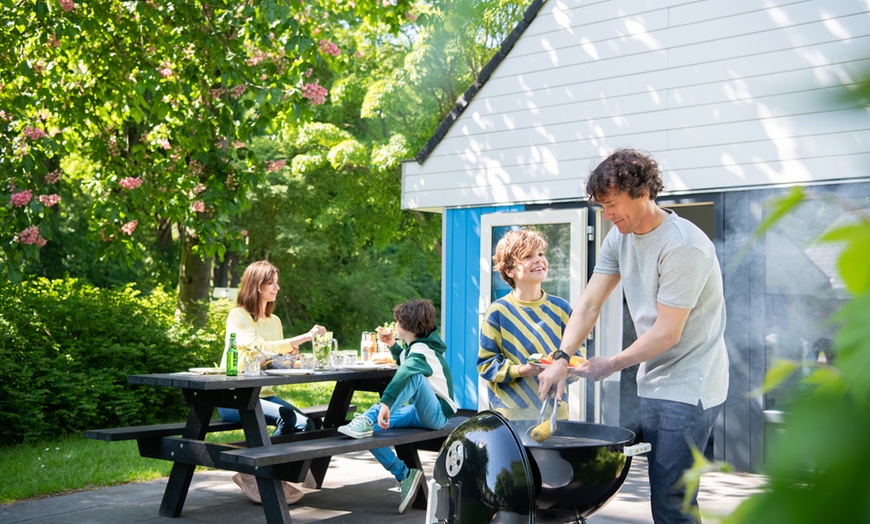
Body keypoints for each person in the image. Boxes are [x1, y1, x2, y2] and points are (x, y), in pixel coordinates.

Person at [537, 148, 729, 524]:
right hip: (654, 378)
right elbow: (590, 303)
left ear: (642, 193)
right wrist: (561, 357)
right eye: (602, 208)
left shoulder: (683, 246)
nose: (607, 215)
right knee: (665, 494)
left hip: (692, 385)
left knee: (672, 500)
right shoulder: (619, 237)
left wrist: (612, 363)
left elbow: (667, 333)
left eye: (612, 205)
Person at [218, 260, 327, 505]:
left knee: (307, 425)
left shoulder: (274, 320)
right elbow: (261, 347)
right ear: (256, 286)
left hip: (262, 394)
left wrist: (288, 358)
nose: (277, 288)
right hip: (231, 395)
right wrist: (305, 337)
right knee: (288, 419)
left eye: (277, 283)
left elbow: (271, 359)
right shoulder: (239, 316)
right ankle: (260, 475)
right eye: (271, 283)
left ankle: (269, 475)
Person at [336, 299, 457, 514]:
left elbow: (407, 371)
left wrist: (385, 403)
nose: (395, 325)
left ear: (407, 326)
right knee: (365, 433)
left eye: (397, 322)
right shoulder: (416, 347)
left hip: (437, 414)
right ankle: (403, 474)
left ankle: (370, 414)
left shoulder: (422, 351)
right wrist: (393, 345)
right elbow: (405, 360)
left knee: (415, 378)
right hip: (418, 412)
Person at [477, 228, 576, 420]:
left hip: (555, 413)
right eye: (528, 256)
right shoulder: (498, 311)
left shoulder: (562, 309)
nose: (538, 259)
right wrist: (523, 370)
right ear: (509, 270)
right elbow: (486, 365)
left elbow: (577, 357)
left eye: (541, 254)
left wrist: (563, 371)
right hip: (509, 417)